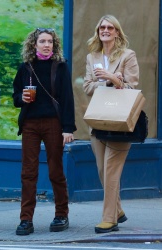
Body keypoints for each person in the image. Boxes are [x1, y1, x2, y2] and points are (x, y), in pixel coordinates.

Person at [12, 28, 76, 235]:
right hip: (30, 124)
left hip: (53, 124)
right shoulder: (25, 68)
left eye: (50, 41)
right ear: (34, 44)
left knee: (55, 170)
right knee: (28, 173)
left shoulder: (61, 67)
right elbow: (15, 97)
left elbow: (67, 99)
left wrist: (68, 128)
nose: (47, 45)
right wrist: (22, 98)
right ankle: (25, 220)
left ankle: (61, 214)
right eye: (42, 41)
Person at [83, 15, 139, 234]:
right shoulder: (91, 57)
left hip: (121, 121)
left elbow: (132, 85)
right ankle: (118, 209)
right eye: (102, 27)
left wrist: (114, 79)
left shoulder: (127, 55)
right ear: (98, 32)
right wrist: (107, 80)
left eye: (110, 27)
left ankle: (109, 219)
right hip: (98, 119)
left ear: (117, 32)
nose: (105, 30)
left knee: (111, 171)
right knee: (101, 170)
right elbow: (87, 87)